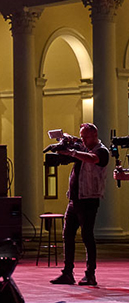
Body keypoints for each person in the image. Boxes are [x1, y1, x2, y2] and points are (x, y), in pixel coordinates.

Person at [50, 123, 109, 287]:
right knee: (67, 235)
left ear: (94, 135)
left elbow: (93, 159)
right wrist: (66, 139)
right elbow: (78, 146)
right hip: (74, 199)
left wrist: (72, 152)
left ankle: (90, 274)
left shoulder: (101, 151)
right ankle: (67, 273)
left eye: (85, 137)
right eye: (81, 137)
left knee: (87, 236)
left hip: (89, 200)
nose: (83, 140)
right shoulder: (83, 148)